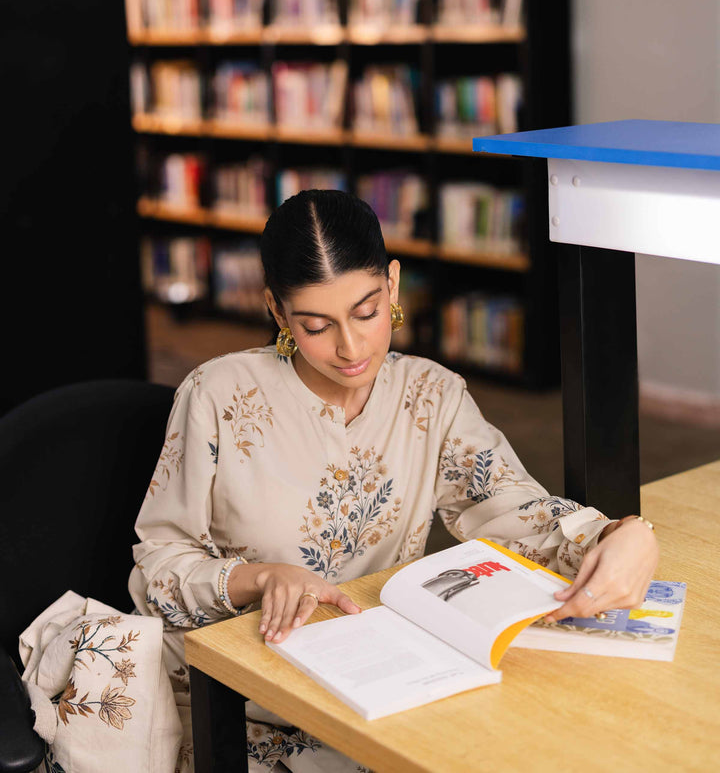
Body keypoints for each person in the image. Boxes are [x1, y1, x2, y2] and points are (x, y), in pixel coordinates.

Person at [130, 189, 659, 772]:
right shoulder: (218, 396)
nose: (351, 348)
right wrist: (261, 578)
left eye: (367, 312)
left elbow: (516, 510)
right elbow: (159, 569)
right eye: (316, 326)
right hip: (237, 696)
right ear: (278, 313)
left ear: (394, 285)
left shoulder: (431, 396)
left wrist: (620, 535)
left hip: (379, 683)